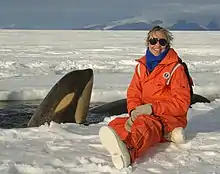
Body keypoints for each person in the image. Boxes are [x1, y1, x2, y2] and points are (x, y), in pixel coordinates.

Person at [99, 25, 191, 170]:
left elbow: (182, 103)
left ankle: (129, 151)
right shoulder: (142, 67)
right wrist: (134, 112)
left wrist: (152, 109)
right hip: (146, 115)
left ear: (168, 44)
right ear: (148, 43)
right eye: (153, 41)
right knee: (115, 124)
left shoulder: (176, 69)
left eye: (162, 41)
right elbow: (133, 93)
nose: (157, 45)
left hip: (168, 118)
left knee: (144, 125)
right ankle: (166, 136)